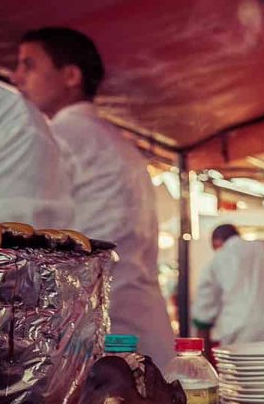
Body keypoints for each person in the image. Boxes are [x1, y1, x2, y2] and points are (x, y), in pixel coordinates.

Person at [13, 27, 174, 364]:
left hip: (95, 328)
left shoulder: (54, 138)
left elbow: (22, 227)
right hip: (143, 319)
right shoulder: (118, 143)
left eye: (29, 65)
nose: (17, 77)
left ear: (71, 76)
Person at [0, 81, 74, 228]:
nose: (16, 77)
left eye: (29, 69)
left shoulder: (14, 116)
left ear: (71, 76)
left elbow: (15, 224)